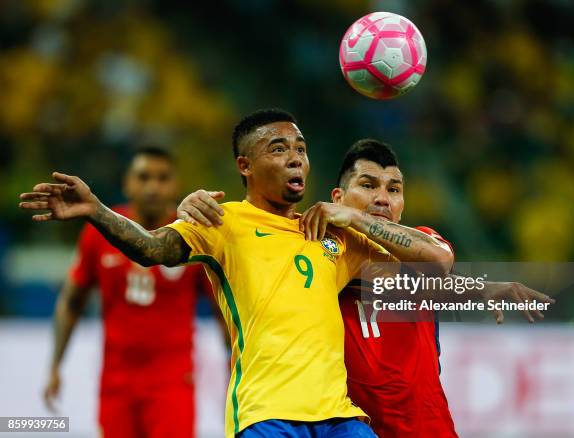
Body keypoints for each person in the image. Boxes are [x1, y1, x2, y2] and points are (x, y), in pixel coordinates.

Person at [20, 109, 454, 438]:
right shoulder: (221, 222)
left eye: (300, 149)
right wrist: (96, 210)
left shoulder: (330, 232)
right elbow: (153, 249)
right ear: (245, 166)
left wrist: (354, 218)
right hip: (267, 415)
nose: (296, 159)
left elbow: (433, 262)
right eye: (279, 149)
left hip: (341, 417)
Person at [177, 139, 554, 437]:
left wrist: (482, 290)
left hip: (427, 427)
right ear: (336, 198)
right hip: (347, 424)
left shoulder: (420, 241)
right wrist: (195, 207)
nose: (382, 199)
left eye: (394, 189)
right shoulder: (317, 249)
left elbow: (432, 267)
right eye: (368, 185)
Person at [41, 146, 213, 438]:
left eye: (162, 178)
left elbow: (223, 309)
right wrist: (55, 366)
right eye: (143, 177)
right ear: (127, 183)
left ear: (176, 185)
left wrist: (237, 367)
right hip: (117, 383)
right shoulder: (99, 232)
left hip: (172, 382)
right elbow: (72, 302)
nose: (152, 187)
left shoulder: (191, 235)